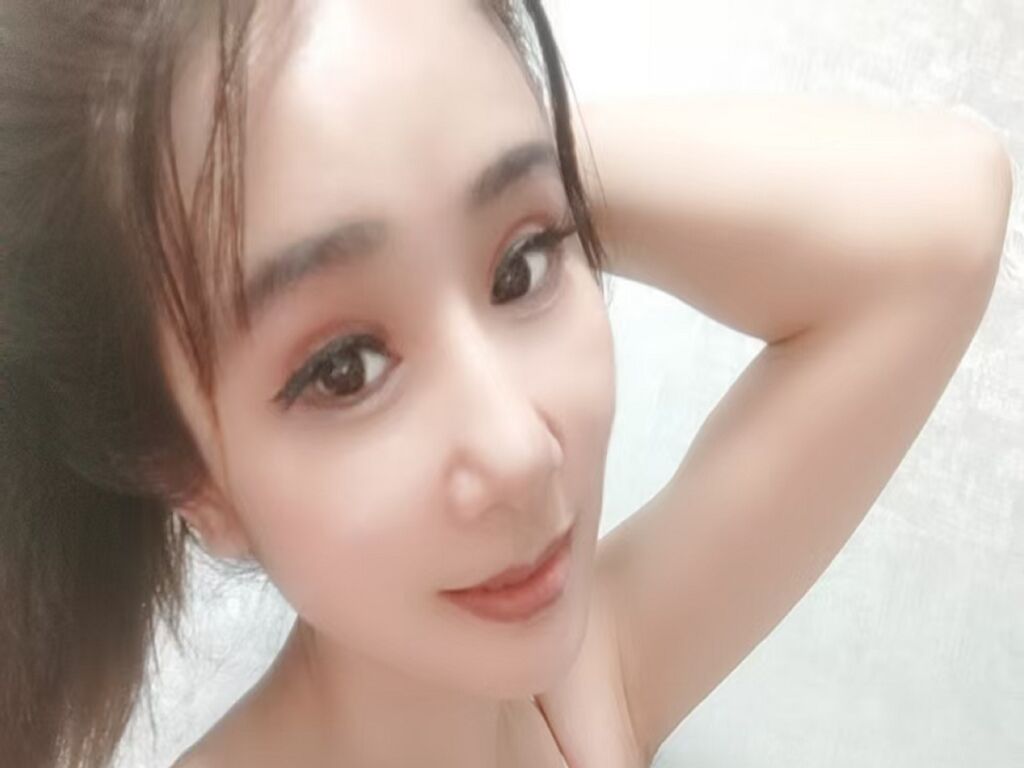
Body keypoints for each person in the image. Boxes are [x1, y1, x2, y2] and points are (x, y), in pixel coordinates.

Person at [0, 0, 1012, 767]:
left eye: (521, 266)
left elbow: (946, 219)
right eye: (344, 370)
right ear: (191, 476)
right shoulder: (593, 687)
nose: (522, 451)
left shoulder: (580, 695)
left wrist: (493, 148)